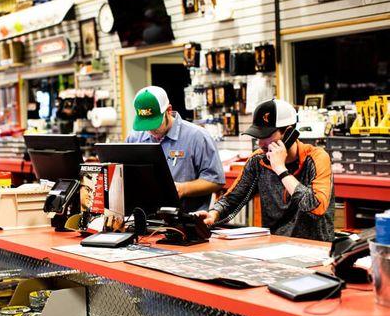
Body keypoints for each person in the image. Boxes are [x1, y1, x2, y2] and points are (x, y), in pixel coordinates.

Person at [196, 99, 335, 241]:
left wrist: (281, 169)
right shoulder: (259, 160)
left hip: (315, 248)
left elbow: (316, 206)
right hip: (275, 247)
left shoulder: (317, 157)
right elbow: (233, 198)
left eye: (266, 136)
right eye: (257, 136)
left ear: (288, 133)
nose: (260, 143)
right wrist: (213, 214)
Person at [126, 86, 225, 212]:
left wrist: (183, 189)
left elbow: (216, 180)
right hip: (144, 217)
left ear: (168, 110)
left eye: (155, 124)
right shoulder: (134, 138)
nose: (150, 130)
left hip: (185, 222)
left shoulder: (197, 137)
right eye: (146, 125)